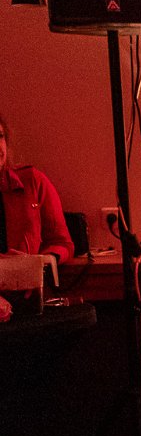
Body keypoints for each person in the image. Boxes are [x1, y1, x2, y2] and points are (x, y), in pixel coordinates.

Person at [0, 111, 75, 323]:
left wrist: (37, 263)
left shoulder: (32, 181)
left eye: (0, 136)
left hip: (26, 302)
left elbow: (63, 243)